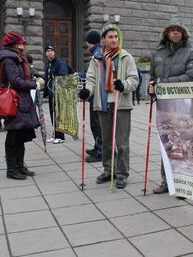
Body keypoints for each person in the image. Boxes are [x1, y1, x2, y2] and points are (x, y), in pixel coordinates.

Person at [79, 23, 138, 189]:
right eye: (110, 37)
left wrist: (123, 85)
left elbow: (134, 79)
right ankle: (108, 170)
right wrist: (87, 91)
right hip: (103, 104)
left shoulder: (125, 57)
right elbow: (90, 80)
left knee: (122, 142)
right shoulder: (96, 59)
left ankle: (122, 173)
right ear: (103, 40)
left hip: (121, 105)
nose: (114, 39)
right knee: (106, 141)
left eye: (116, 37)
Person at [148, 18, 193, 194]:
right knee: (166, 142)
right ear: (167, 33)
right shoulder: (158, 54)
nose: (176, 32)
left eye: (179, 30)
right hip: (163, 106)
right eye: (172, 30)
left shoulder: (190, 53)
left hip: (182, 105)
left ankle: (183, 184)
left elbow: (192, 76)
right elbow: (153, 78)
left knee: (182, 142)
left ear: (183, 34)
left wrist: (165, 82)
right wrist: (151, 88)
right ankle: (166, 181)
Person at [0, 32, 39, 180]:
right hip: (14, 102)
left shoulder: (18, 57)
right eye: (21, 43)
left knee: (20, 135)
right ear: (14, 44)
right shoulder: (9, 59)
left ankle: (20, 166)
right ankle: (11, 169)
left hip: (22, 101)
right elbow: (16, 81)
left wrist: (34, 78)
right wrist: (33, 84)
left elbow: (22, 77)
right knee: (13, 135)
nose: (23, 45)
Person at [43, 44, 69, 144]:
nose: (50, 52)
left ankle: (60, 136)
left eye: (51, 51)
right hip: (51, 93)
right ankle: (55, 134)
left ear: (54, 52)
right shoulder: (48, 63)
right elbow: (47, 78)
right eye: (48, 51)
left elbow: (63, 76)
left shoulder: (60, 63)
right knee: (52, 114)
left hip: (59, 93)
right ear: (45, 53)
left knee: (59, 115)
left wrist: (56, 78)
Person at [84, 30, 103, 163]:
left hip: (97, 96)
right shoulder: (98, 52)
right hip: (96, 95)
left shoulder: (97, 54)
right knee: (96, 125)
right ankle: (97, 147)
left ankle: (100, 152)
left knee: (97, 126)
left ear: (89, 42)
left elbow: (96, 77)